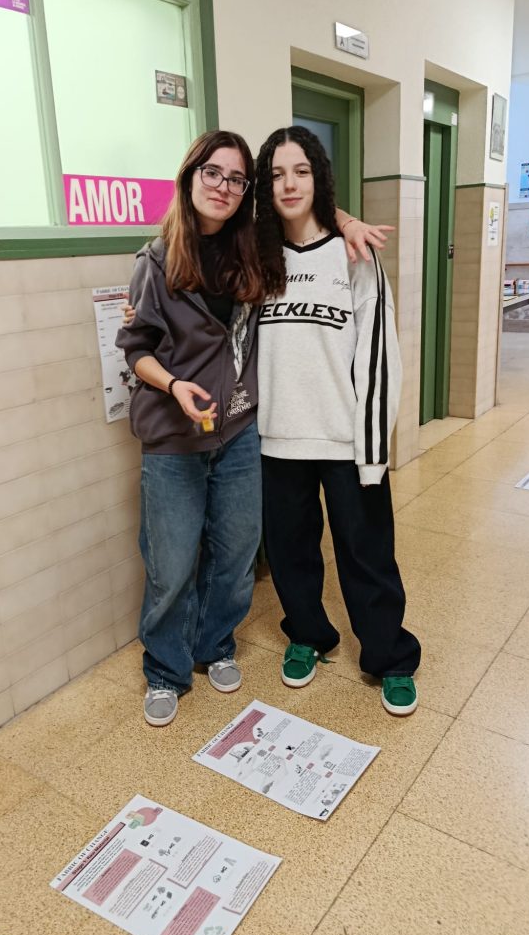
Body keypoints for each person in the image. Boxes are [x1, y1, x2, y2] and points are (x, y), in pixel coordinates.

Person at [116, 129, 389, 727]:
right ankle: (168, 668)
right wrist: (171, 383)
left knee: (242, 556)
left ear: (247, 193)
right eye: (212, 173)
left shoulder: (256, 252)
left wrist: (344, 219)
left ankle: (221, 645)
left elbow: (302, 208)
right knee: (178, 562)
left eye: (236, 179)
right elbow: (135, 344)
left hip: (248, 432)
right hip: (198, 436)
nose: (224, 186)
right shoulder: (164, 259)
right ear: (190, 177)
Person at [254, 125, 421, 715]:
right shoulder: (257, 257)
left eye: (300, 171)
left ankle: (390, 657)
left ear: (319, 178)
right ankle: (308, 635)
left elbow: (378, 356)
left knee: (367, 553)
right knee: (291, 553)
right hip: (276, 438)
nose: (289, 184)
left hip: (346, 439)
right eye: (277, 174)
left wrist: (373, 449)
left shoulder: (354, 255)